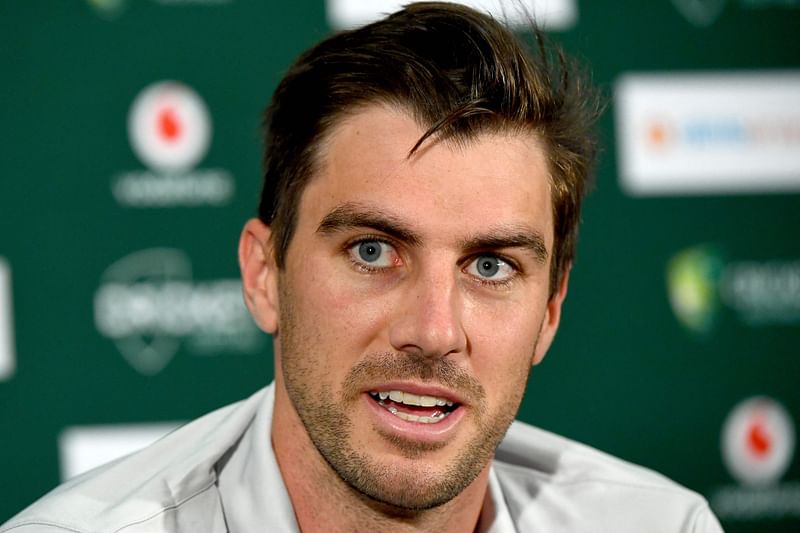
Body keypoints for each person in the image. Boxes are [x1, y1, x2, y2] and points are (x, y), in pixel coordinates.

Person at [2, 3, 723, 532]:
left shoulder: (662, 523)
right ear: (264, 275)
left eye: (492, 265)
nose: (435, 329)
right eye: (373, 251)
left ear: (551, 312)